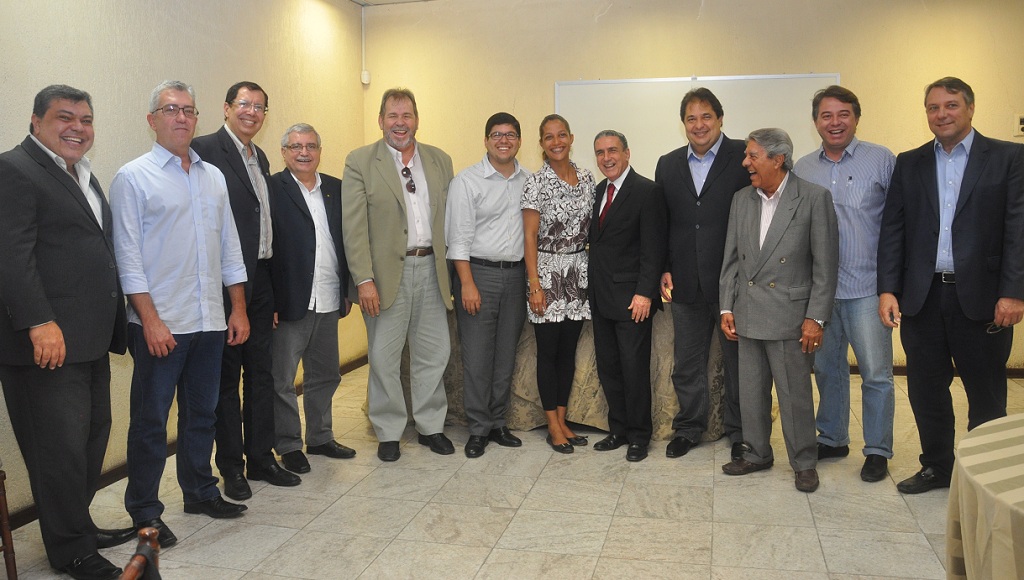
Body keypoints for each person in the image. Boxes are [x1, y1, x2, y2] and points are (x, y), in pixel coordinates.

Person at [111, 80, 250, 550]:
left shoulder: (213, 177)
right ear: (152, 119)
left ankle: (200, 491)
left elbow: (230, 247)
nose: (182, 117)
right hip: (161, 324)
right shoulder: (133, 177)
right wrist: (149, 320)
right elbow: (127, 258)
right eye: (171, 110)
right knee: (151, 423)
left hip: (209, 320)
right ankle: (145, 511)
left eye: (189, 110)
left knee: (202, 414)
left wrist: (237, 308)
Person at [0, 85, 132, 580]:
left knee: (90, 440)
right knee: (58, 451)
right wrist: (38, 321)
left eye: (86, 119)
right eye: (64, 117)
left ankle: (77, 526)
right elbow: (11, 256)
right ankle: (72, 551)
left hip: (88, 338)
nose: (78, 127)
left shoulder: (81, 174)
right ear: (36, 121)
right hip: (44, 343)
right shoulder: (13, 170)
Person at [878, 77, 1024, 494]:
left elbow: (1019, 229)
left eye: (951, 105)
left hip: (983, 298)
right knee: (926, 390)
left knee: (987, 393)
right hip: (922, 297)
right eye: (933, 107)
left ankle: (985, 476)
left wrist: (1014, 292)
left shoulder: (1009, 157)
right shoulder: (910, 162)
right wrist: (888, 289)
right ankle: (937, 467)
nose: (941, 114)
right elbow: (894, 229)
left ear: (970, 108)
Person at [191, 81, 297, 499]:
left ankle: (261, 458)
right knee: (226, 378)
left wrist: (271, 292)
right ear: (226, 108)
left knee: (261, 373)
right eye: (244, 104)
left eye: (259, 107)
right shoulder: (204, 150)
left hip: (261, 280)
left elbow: (262, 222)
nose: (252, 112)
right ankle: (232, 467)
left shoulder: (260, 156)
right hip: (224, 283)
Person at [719, 128, 839, 493]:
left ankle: (804, 462)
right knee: (751, 393)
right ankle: (756, 453)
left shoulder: (813, 198)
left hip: (791, 316)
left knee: (794, 396)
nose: (745, 162)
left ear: (778, 159)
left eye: (753, 156)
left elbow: (825, 266)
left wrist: (815, 318)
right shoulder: (741, 199)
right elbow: (731, 260)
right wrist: (726, 306)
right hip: (747, 312)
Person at [342, 88, 455, 462]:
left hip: (432, 270)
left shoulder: (439, 160)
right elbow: (353, 228)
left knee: (433, 353)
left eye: (407, 115)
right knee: (384, 357)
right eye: (393, 116)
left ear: (417, 120)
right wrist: (363, 279)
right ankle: (388, 431)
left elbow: (449, 221)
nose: (400, 123)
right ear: (381, 121)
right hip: (385, 276)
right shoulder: (361, 161)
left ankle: (430, 426)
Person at [793, 85, 897, 483]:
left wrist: (892, 286)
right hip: (821, 292)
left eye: (843, 114)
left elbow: (898, 223)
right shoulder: (803, 168)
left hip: (868, 288)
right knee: (827, 369)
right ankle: (833, 438)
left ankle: (877, 450)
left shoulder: (881, 160)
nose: (834, 122)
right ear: (815, 121)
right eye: (826, 115)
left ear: (856, 117)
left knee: (876, 374)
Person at [656, 88, 750, 460]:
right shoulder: (668, 164)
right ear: (683, 123)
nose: (699, 125)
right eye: (691, 118)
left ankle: (742, 433)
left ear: (720, 119)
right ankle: (688, 428)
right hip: (685, 281)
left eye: (706, 116)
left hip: (734, 283)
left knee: (740, 364)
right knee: (687, 363)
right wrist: (664, 266)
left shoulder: (744, 156)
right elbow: (663, 222)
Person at [269, 123, 356, 474]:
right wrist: (269, 301)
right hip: (290, 301)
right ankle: (289, 444)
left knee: (325, 374)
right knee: (282, 379)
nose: (304, 152)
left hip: (329, 296)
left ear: (320, 151)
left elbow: (347, 241)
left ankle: (320, 437)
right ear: (284, 152)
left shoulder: (336, 188)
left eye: (311, 146)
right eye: (296, 146)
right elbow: (264, 250)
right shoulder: (271, 189)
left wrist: (346, 288)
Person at [445, 112, 529, 458]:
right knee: (478, 357)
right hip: (478, 274)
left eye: (510, 135)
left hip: (517, 276)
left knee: (505, 356)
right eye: (497, 134)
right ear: (486, 140)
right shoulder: (467, 181)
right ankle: (478, 428)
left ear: (519, 141)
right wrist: (466, 283)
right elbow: (457, 238)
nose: (503, 140)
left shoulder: (529, 180)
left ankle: (497, 423)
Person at [588, 130, 667, 462]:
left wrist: (644, 294)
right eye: (600, 152)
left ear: (627, 153)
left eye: (612, 150)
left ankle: (639, 436)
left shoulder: (647, 191)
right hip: (601, 297)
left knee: (634, 370)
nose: (606, 158)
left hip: (633, 301)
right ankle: (618, 430)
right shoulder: (597, 192)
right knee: (609, 368)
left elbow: (654, 248)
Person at [523, 114, 596, 454]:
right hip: (547, 272)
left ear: (571, 137)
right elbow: (529, 236)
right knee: (549, 352)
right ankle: (552, 425)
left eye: (561, 135)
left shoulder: (587, 177)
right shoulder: (536, 182)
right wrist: (534, 285)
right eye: (549, 137)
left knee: (568, 352)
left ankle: (563, 420)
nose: (556, 142)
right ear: (541, 143)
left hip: (578, 272)